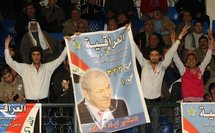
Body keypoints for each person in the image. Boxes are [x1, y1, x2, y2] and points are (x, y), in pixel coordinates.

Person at [135, 25, 189, 133]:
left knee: (155, 126)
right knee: (141, 128)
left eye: (156, 55)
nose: (154, 57)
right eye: (152, 55)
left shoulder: (163, 66)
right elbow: (135, 50)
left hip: (156, 102)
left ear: (160, 56)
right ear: (149, 56)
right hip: (143, 101)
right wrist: (127, 33)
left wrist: (178, 39)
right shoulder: (144, 63)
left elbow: (171, 52)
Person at [4, 35, 67, 103]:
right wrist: (6, 46)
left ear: (41, 56)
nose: (36, 57)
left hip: (43, 102)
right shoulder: (24, 68)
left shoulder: (48, 67)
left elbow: (61, 58)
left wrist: (68, 44)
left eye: (38, 54)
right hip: (30, 103)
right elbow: (9, 61)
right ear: (31, 56)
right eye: (33, 54)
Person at [172, 30, 214, 102]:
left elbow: (207, 57)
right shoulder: (183, 70)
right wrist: (173, 41)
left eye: (193, 59)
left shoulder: (200, 69)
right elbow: (175, 58)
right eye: (189, 59)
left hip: (200, 101)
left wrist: (212, 40)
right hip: (187, 101)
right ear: (186, 63)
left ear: (196, 61)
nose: (191, 60)